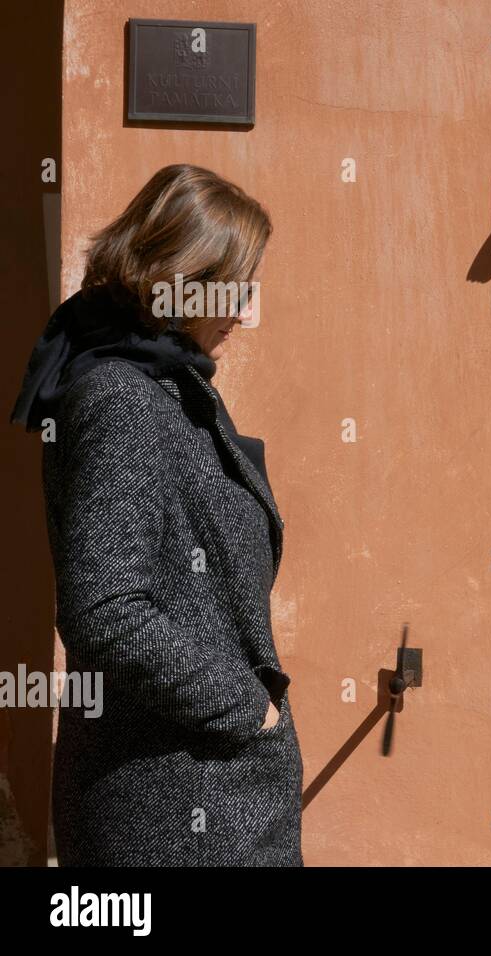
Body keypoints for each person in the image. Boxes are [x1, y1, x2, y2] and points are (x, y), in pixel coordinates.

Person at [10, 163, 302, 865]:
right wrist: (247, 709)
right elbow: (107, 608)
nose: (244, 311)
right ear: (184, 279)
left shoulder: (158, 384)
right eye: (236, 287)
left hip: (205, 801)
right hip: (176, 812)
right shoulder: (123, 400)